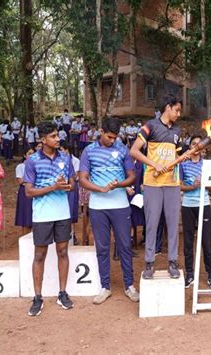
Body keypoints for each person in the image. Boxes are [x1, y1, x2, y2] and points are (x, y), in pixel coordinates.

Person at [79, 117, 139, 304]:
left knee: (124, 246)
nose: (113, 140)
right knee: (103, 248)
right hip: (98, 207)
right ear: (101, 131)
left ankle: (129, 286)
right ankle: (105, 287)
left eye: (115, 137)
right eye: (110, 137)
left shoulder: (123, 150)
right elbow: (82, 179)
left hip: (120, 205)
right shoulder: (88, 151)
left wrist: (118, 185)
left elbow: (132, 176)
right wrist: (101, 189)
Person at [130, 94, 187, 279]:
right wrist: (154, 164)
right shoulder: (150, 126)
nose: (178, 114)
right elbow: (134, 150)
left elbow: (178, 156)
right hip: (152, 183)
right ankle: (149, 263)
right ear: (168, 107)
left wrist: (182, 158)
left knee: (172, 224)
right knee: (152, 224)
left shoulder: (177, 131)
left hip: (172, 183)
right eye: (177, 110)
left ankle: (172, 261)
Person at [23, 121, 75, 316]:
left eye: (57, 135)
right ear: (43, 140)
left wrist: (66, 186)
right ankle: (37, 297)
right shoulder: (33, 160)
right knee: (40, 255)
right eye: (53, 136)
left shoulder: (66, 158)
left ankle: (62, 293)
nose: (58, 139)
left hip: (62, 213)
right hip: (43, 215)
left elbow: (72, 184)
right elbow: (29, 191)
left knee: (63, 251)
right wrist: (53, 187)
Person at [180, 135, 211, 289]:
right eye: (193, 144)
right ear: (190, 147)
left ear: (202, 148)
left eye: (199, 144)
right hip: (188, 205)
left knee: (206, 242)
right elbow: (180, 185)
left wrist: (205, 184)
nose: (196, 147)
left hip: (203, 205)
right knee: (188, 241)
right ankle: (190, 274)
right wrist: (193, 186)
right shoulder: (183, 165)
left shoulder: (207, 165)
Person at [59, 143, 80, 245]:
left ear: (67, 150)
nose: (61, 153)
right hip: (61, 188)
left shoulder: (76, 161)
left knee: (71, 211)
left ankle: (73, 233)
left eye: (63, 150)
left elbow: (76, 176)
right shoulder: (59, 160)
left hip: (71, 188)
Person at [15, 147, 34, 236]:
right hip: (25, 191)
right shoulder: (21, 166)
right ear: (24, 155)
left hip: (36, 191)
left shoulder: (37, 165)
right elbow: (20, 181)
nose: (31, 156)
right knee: (25, 215)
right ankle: (25, 237)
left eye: (33, 153)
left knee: (35, 214)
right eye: (29, 153)